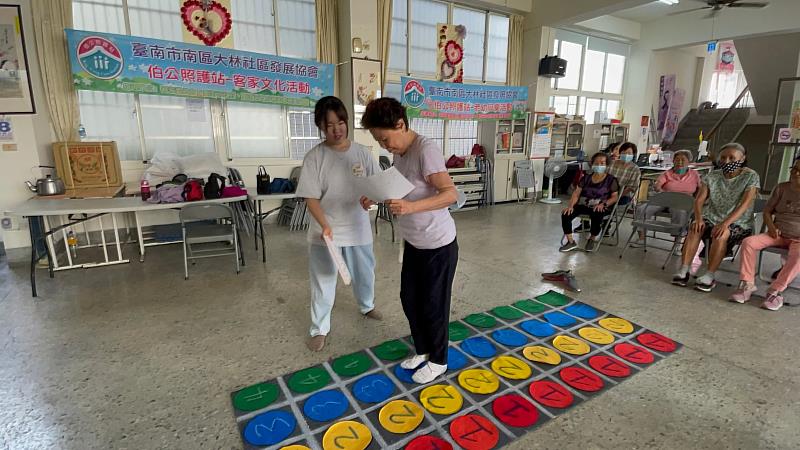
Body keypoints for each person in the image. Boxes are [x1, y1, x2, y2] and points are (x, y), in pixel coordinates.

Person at [360, 98, 459, 384]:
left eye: (385, 139)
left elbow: (450, 194)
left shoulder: (425, 149)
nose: (384, 146)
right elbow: (401, 188)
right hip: (415, 242)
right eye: (379, 141)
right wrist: (375, 194)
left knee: (434, 303)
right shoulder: (400, 153)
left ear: (401, 125)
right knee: (410, 298)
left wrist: (412, 208)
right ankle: (424, 349)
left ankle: (439, 360)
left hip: (438, 244)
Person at [295, 96, 383, 352]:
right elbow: (310, 197)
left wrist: (371, 199)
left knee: (365, 272)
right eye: (329, 124)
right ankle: (319, 328)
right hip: (325, 232)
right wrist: (324, 225)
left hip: (358, 228)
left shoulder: (362, 153)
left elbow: (376, 186)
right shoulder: (315, 157)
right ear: (321, 126)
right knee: (323, 280)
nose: (337, 129)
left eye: (341, 122)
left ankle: (366, 305)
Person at [672, 143, 760, 292]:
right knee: (695, 228)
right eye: (723, 157)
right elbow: (699, 200)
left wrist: (725, 223)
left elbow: (745, 205)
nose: (727, 161)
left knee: (721, 234)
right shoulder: (713, 176)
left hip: (739, 222)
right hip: (712, 217)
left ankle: (709, 275)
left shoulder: (750, 176)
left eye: (732, 158)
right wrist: (699, 218)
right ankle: (684, 269)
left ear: (742, 158)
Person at [730, 158, 800, 310]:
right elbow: (767, 211)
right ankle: (747, 284)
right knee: (748, 242)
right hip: (777, 234)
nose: (796, 173)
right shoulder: (782, 188)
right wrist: (771, 226)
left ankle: (775, 290)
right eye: (794, 169)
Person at [632, 149, 701, 247]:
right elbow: (658, 185)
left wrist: (697, 201)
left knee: (680, 213)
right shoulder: (667, 173)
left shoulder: (694, 174)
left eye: (683, 159)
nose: (680, 162)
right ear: (673, 161)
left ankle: (676, 243)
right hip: (664, 199)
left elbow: (700, 189)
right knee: (642, 209)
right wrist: (658, 188)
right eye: (677, 159)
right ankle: (641, 238)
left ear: (688, 161)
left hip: (683, 202)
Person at [560, 152, 620, 253]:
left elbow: (615, 197)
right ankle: (570, 241)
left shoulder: (611, 180)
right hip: (584, 205)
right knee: (566, 213)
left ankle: (592, 239)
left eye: (602, 163)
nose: (599, 165)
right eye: (596, 163)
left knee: (597, 214)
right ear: (592, 164)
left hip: (601, 206)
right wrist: (570, 206)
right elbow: (576, 193)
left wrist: (603, 204)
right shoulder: (586, 178)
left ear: (606, 165)